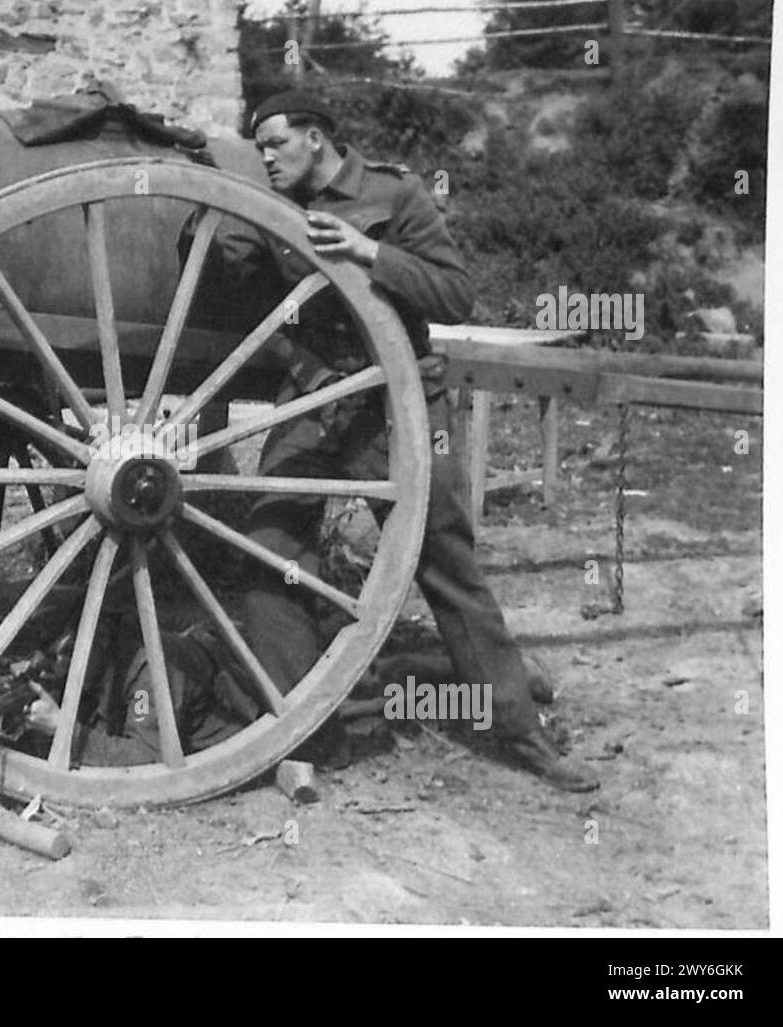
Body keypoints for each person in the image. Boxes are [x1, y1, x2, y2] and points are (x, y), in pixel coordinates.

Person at [187, 89, 598, 792]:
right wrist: (217, 214)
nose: (267, 156)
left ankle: (524, 735)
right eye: (259, 147)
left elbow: (455, 294)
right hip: (316, 400)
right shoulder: (272, 201)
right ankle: (306, 728)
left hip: (399, 404)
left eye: (276, 143)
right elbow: (235, 289)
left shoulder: (395, 193)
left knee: (446, 565)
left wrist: (369, 250)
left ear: (316, 137)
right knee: (269, 547)